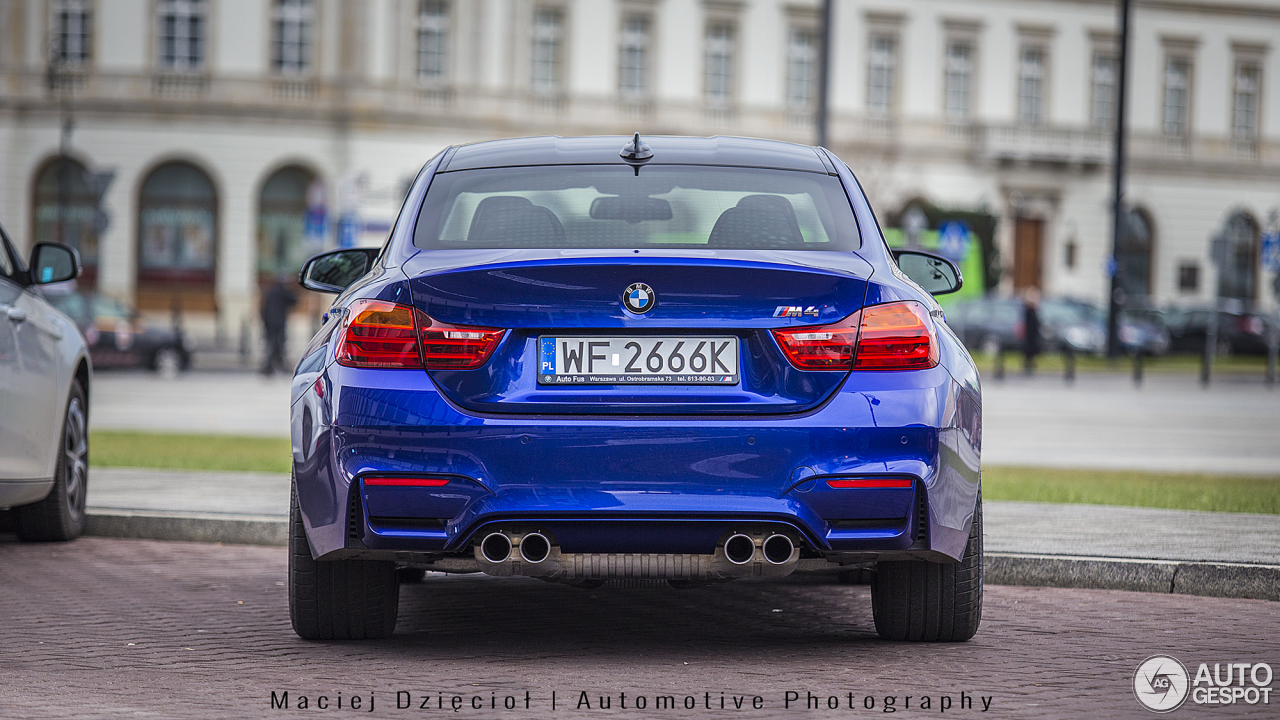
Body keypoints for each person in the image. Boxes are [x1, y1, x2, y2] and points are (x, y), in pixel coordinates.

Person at [260, 275, 298, 375]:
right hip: (277, 323)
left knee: (273, 344)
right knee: (276, 344)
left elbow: (264, 308)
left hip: (270, 321)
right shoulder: (281, 291)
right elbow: (293, 300)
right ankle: (269, 367)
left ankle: (274, 365)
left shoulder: (271, 291)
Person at [1022, 288, 1041, 375]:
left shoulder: (1034, 311)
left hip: (1033, 335)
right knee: (1028, 351)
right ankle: (1027, 365)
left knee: (1032, 350)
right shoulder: (1027, 310)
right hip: (1028, 335)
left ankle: (1030, 365)